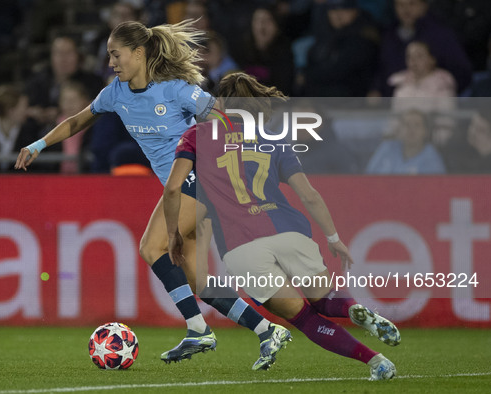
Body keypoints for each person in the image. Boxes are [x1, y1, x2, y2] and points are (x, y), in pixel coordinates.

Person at [15, 19, 288, 366]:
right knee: (198, 282)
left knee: (151, 246)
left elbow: (224, 119)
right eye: (110, 56)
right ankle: (267, 330)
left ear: (139, 53)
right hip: (179, 186)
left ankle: (197, 328)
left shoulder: (175, 90)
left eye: (117, 55)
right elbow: (78, 120)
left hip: (203, 178)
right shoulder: (115, 93)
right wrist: (39, 144)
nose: (111, 63)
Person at [164, 72, 400, 379]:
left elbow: (172, 189)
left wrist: (173, 234)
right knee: (326, 301)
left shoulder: (197, 135)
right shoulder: (274, 138)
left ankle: (377, 362)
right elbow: (309, 195)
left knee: (303, 318)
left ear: (221, 103)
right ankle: (354, 309)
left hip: (242, 247)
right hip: (290, 233)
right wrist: (334, 237)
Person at [365, 108, 446, 174]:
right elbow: (368, 176)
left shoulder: (431, 156)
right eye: (407, 124)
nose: (411, 130)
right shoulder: (387, 147)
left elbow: (436, 188)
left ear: (425, 131)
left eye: (417, 125)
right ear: (399, 129)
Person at [389, 41, 456, 113]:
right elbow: (395, 118)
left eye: (419, 56)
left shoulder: (443, 83)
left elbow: (446, 121)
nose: (413, 60)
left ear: (432, 59)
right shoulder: (400, 82)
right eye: (409, 56)